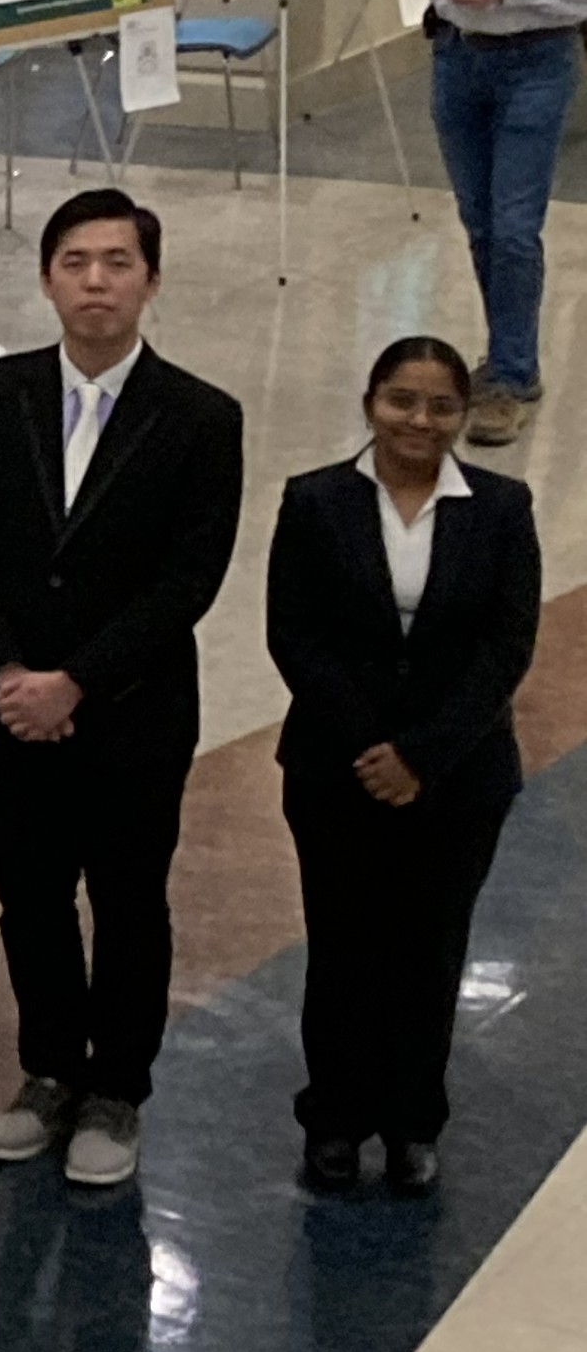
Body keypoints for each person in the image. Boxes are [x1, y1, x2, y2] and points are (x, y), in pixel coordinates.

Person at [0, 189, 243, 1188]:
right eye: (76, 261)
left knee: (126, 901)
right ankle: (46, 1071)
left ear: (150, 280)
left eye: (117, 262)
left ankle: (117, 1088)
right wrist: (9, 672)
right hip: (7, 706)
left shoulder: (200, 417)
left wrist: (77, 680)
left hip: (130, 711)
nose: (96, 281)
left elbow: (187, 581)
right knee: (27, 899)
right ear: (45, 277)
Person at [268, 337, 541, 1196]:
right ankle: (336, 1121)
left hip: (458, 778)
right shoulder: (313, 501)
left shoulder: (502, 507)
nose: (419, 420)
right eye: (401, 400)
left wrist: (421, 755)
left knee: (431, 948)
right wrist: (368, 749)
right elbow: (294, 635)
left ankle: (414, 1122)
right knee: (344, 946)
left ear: (461, 416)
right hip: (334, 771)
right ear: (369, 403)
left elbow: (505, 649)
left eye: (439, 406)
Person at [399, 0, 586, 448]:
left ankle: (509, 373)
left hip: (537, 62)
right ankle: (507, 355)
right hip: (457, 59)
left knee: (514, 229)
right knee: (479, 224)